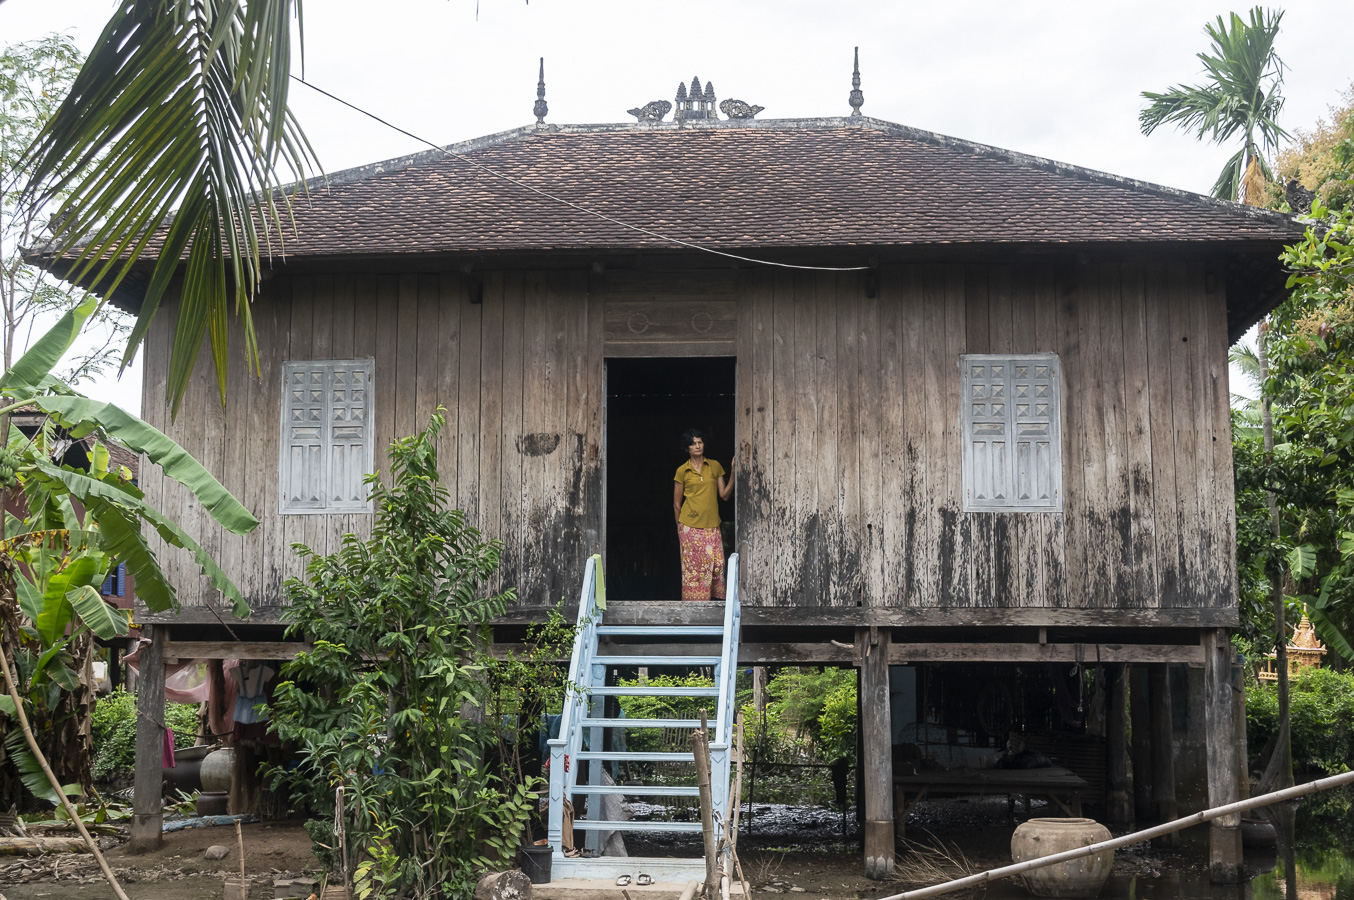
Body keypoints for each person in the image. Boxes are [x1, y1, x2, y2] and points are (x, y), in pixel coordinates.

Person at [672, 429, 734, 601]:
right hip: (689, 527)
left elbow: (724, 495)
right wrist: (680, 529)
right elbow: (677, 504)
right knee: (693, 569)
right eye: (693, 443)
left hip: (711, 526)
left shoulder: (714, 466)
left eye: (700, 442)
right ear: (687, 448)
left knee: (716, 565)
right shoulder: (682, 471)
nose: (697, 446)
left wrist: (734, 474)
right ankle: (693, 606)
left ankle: (711, 603)